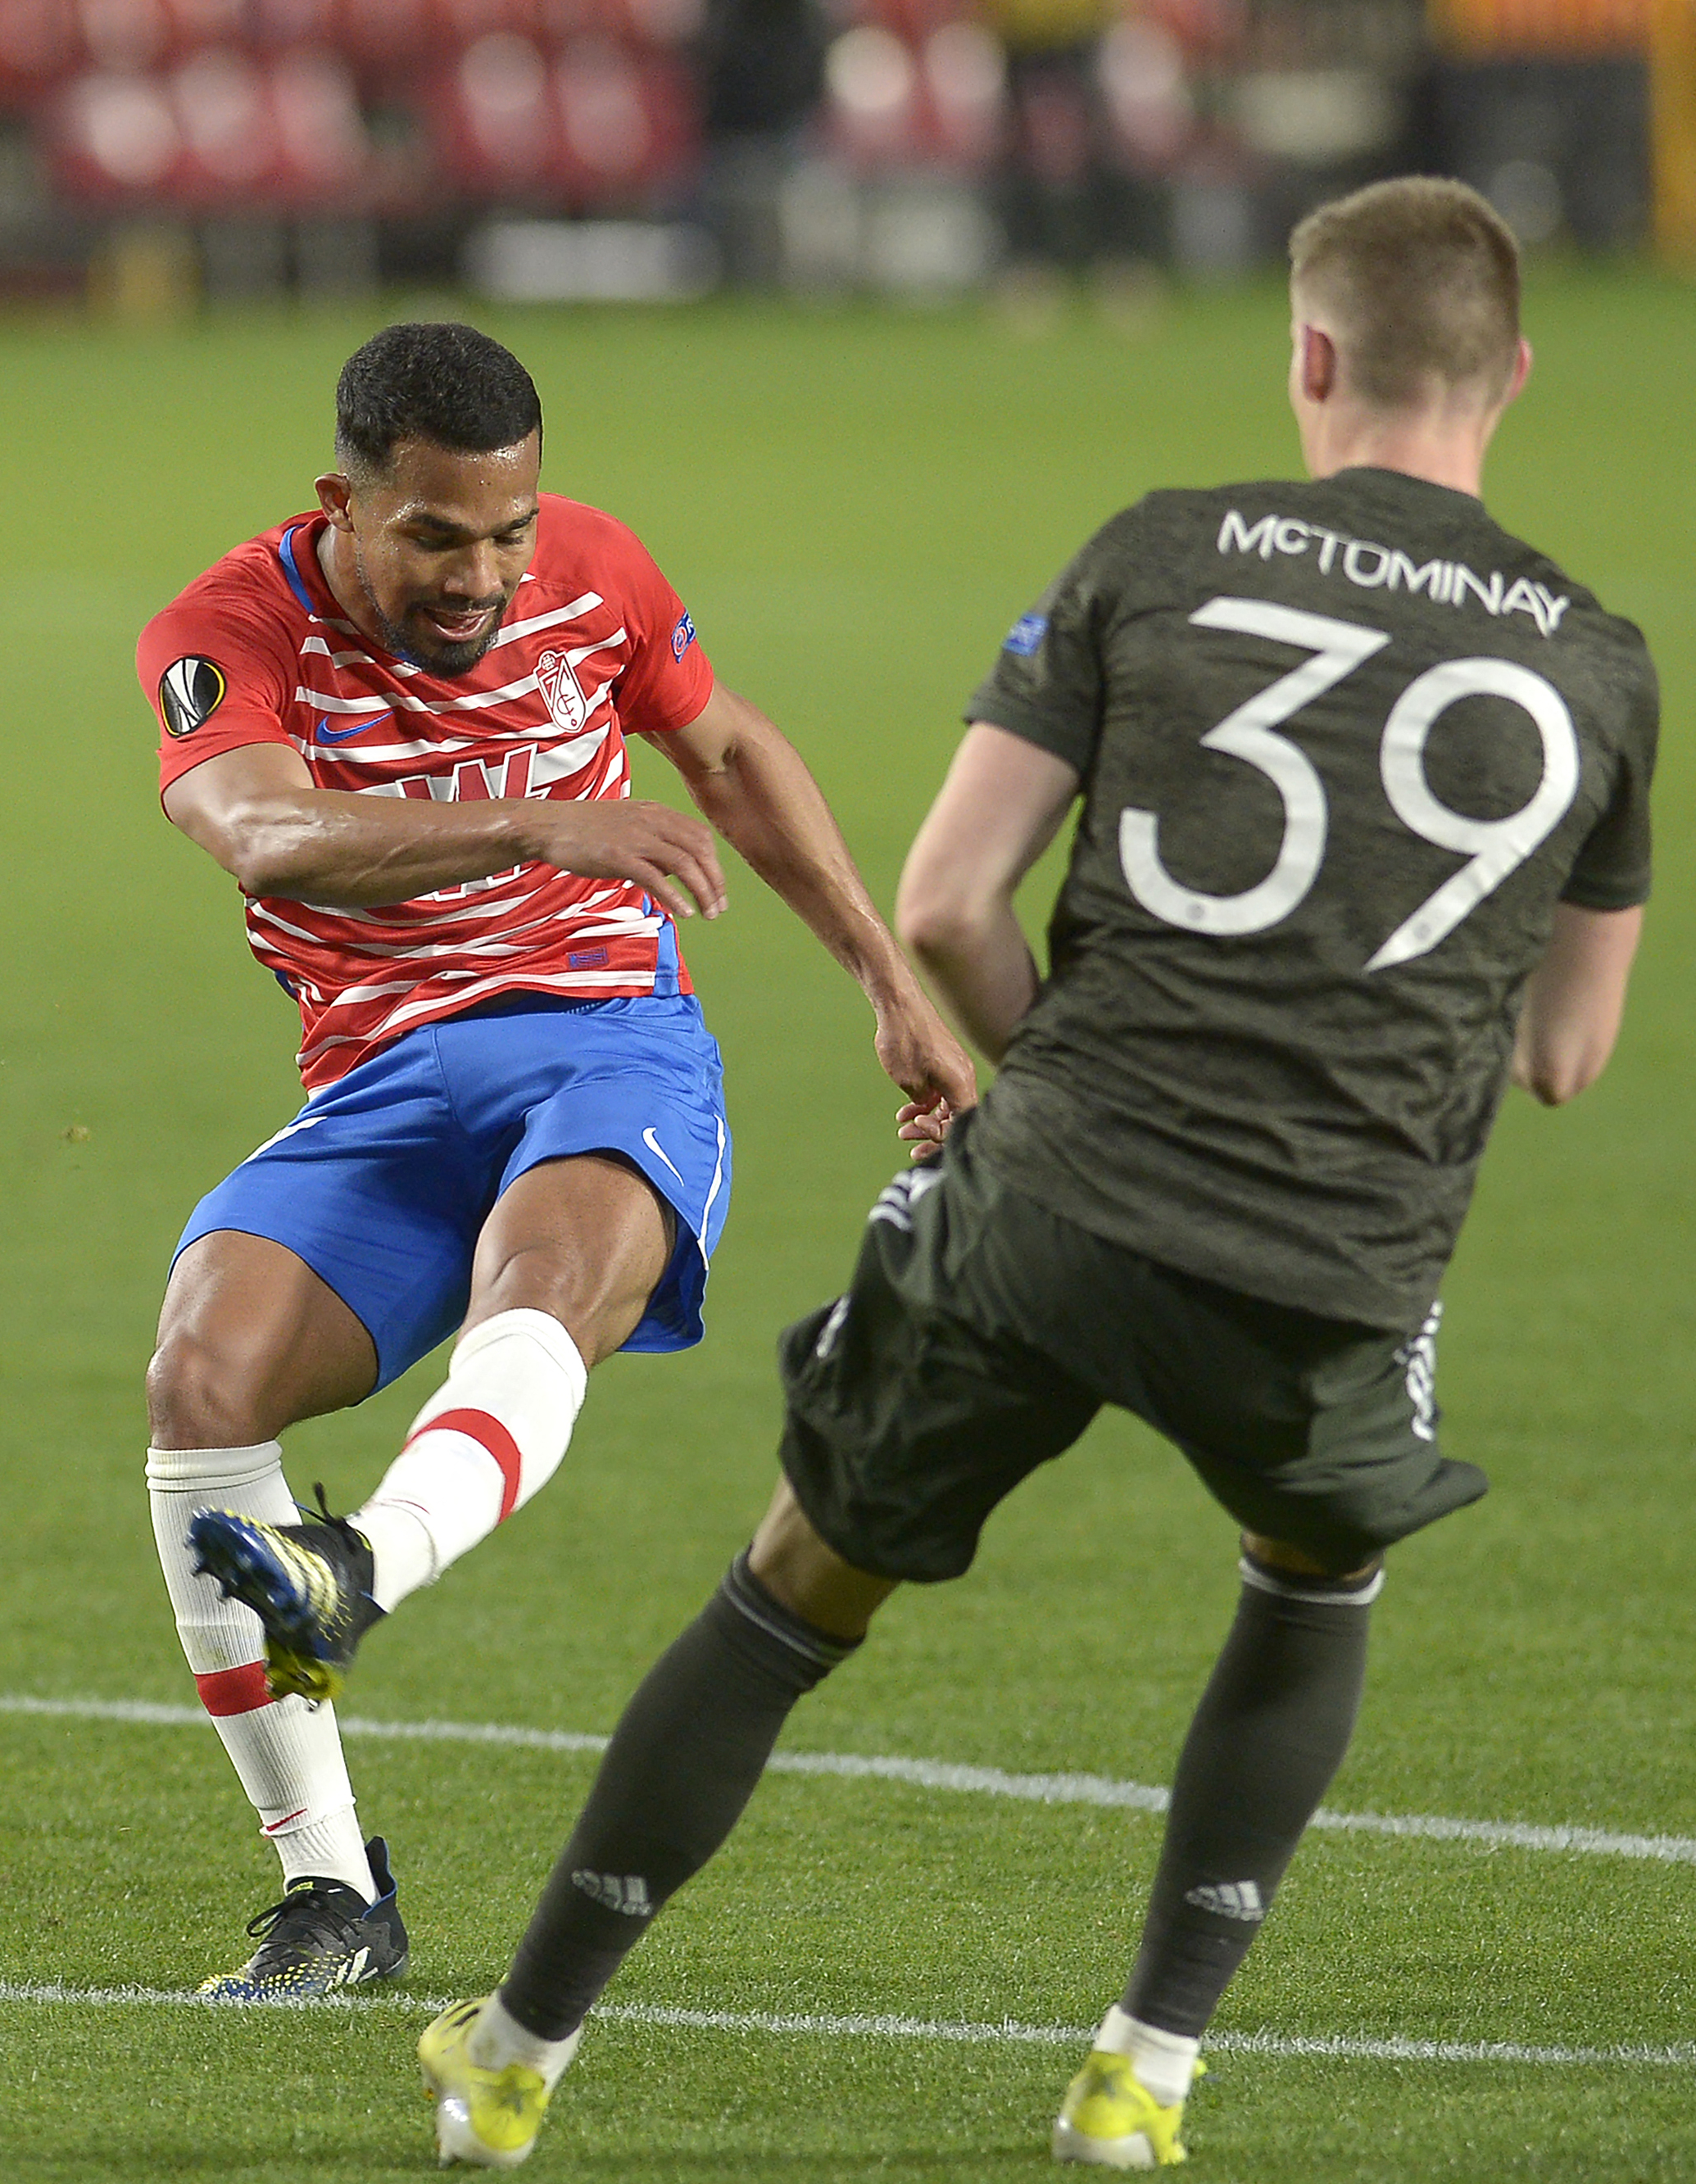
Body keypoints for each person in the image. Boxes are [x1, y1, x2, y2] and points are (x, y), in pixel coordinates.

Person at [413, 177, 1653, 2170]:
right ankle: (1142, 2071)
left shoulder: (1158, 556)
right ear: (1511, 374)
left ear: (1307, 358)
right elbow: (1569, 1053)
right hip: (1332, 1252)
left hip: (1052, 1191)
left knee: (794, 1586)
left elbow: (949, 901)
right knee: (1316, 1573)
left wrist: (1047, 1072)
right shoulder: (1600, 669)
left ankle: (518, 2050)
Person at [136, 322, 975, 2000]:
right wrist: (538, 818)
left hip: (607, 1036)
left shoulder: (594, 572)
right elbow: (256, 827)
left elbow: (726, 753)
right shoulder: (227, 628)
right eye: (438, 536)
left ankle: (354, 1567)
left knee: (549, 1279)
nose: (485, 575)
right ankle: (331, 1898)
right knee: (200, 1380)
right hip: (376, 1078)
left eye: (508, 533)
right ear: (346, 504)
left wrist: (891, 980)